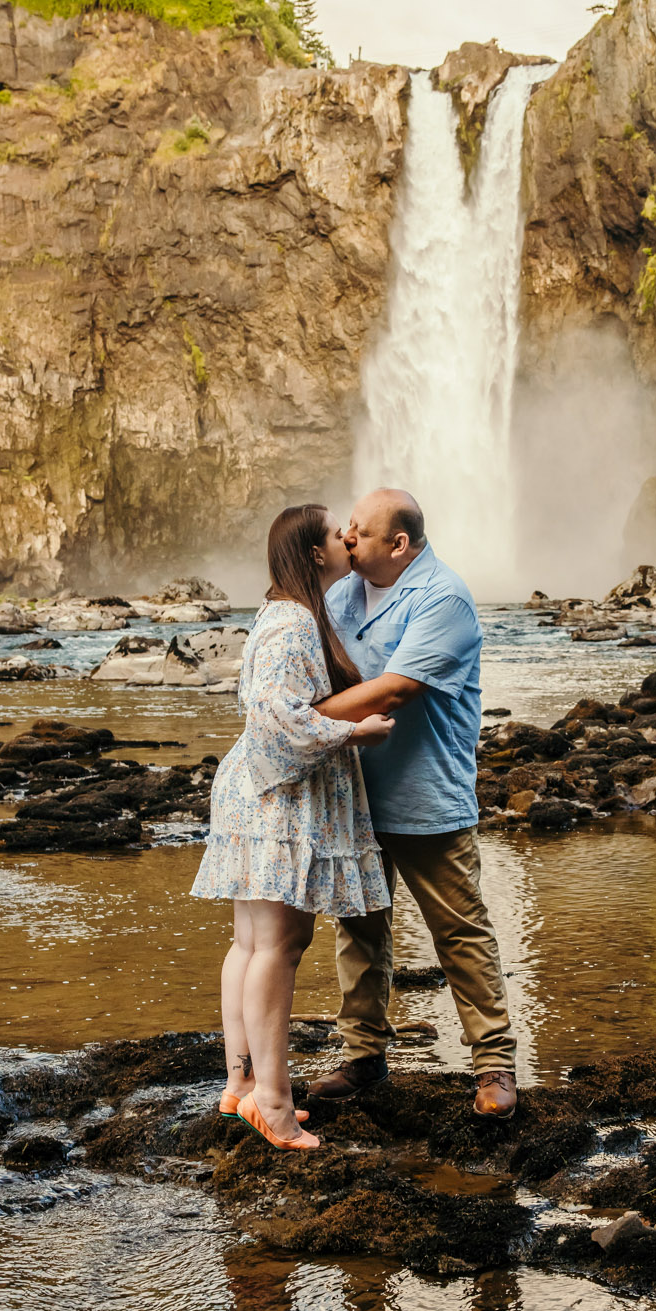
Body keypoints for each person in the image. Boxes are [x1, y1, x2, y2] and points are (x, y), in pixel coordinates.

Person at [191, 504, 394, 1151]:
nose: (350, 540)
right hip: (274, 799)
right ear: (313, 553)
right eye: (340, 534)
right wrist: (351, 729)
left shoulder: (280, 613)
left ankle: (241, 1088)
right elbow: (276, 717)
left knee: (252, 944)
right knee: (279, 946)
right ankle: (273, 1104)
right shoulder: (295, 623)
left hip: (254, 792)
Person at [311, 488, 518, 1118]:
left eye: (359, 531)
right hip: (355, 795)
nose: (346, 538)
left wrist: (299, 719)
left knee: (459, 930)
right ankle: (364, 1057)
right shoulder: (342, 594)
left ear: (398, 544)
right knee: (359, 929)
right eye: (345, 528)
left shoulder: (443, 597)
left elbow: (395, 690)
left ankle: (494, 1065)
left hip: (426, 793)